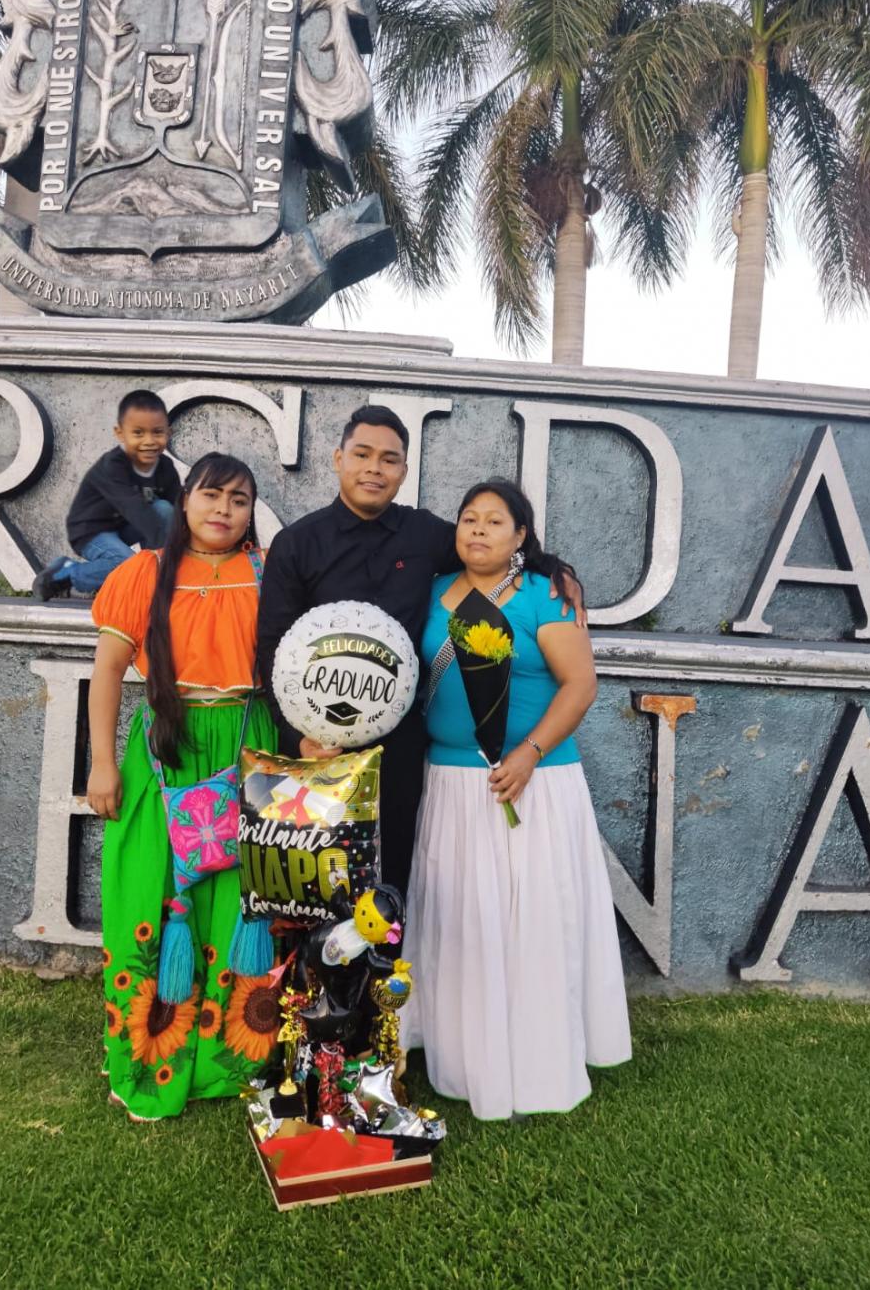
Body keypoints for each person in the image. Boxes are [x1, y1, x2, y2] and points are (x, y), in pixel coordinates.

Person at [256, 404, 584, 897]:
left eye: (389, 459)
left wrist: (557, 571)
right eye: (362, 454)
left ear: (404, 472)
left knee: (394, 879)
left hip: (402, 750)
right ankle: (317, 975)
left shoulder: (426, 534)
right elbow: (272, 646)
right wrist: (296, 738)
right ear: (337, 458)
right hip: (320, 747)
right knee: (317, 888)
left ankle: (393, 974)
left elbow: (495, 550)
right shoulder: (296, 543)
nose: (374, 468)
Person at [404, 478, 631, 1120]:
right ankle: (459, 1052)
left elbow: (580, 684)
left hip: (533, 781)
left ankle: (532, 1057)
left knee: (527, 918)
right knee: (461, 920)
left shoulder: (542, 596)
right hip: (448, 784)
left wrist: (528, 753)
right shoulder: (431, 593)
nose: (477, 530)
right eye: (468, 519)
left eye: (495, 522)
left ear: (521, 537)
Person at [86, 451, 277, 1122]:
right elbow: (108, 669)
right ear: (184, 498)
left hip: (249, 748)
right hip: (167, 748)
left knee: (241, 905)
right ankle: (150, 1060)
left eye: (240, 498)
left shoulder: (268, 573)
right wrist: (102, 762)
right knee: (155, 890)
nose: (223, 509)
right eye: (211, 493)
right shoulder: (142, 573)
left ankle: (232, 1063)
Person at [33, 389, 180, 600]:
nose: (149, 441)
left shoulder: (165, 467)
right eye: (138, 433)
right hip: (91, 530)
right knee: (128, 565)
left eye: (157, 432)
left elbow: (180, 508)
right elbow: (133, 507)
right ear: (120, 434)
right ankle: (66, 573)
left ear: (169, 433)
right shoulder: (113, 466)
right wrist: (156, 568)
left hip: (126, 528)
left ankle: (152, 579)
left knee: (165, 509)